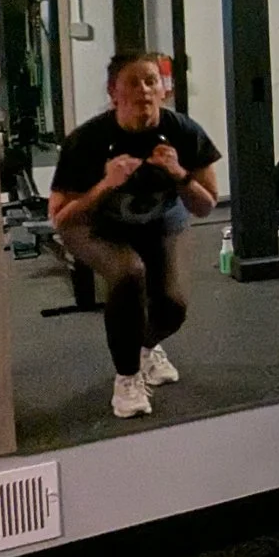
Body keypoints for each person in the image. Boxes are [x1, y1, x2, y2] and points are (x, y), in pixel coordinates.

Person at [47, 51, 220, 419]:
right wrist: (106, 184)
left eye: (151, 81)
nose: (143, 89)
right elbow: (60, 218)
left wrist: (179, 174)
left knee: (173, 307)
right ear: (113, 92)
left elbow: (205, 206)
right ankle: (127, 379)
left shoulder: (185, 132)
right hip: (96, 226)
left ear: (163, 90)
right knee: (129, 274)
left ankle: (144, 348)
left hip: (162, 221)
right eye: (133, 82)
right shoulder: (87, 141)